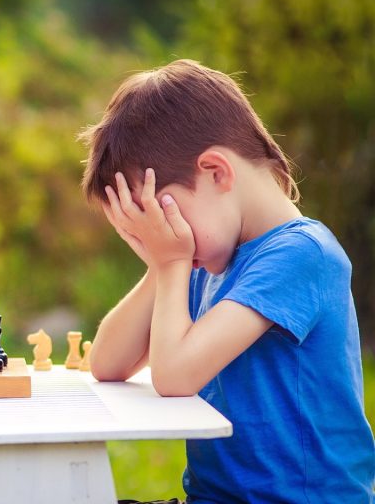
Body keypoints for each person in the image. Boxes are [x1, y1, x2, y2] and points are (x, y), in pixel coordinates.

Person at [80, 59, 375, 502]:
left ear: (216, 171)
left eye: (166, 215)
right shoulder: (209, 260)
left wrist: (171, 261)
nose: (166, 237)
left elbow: (174, 376)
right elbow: (107, 364)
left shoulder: (302, 255)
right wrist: (162, 264)